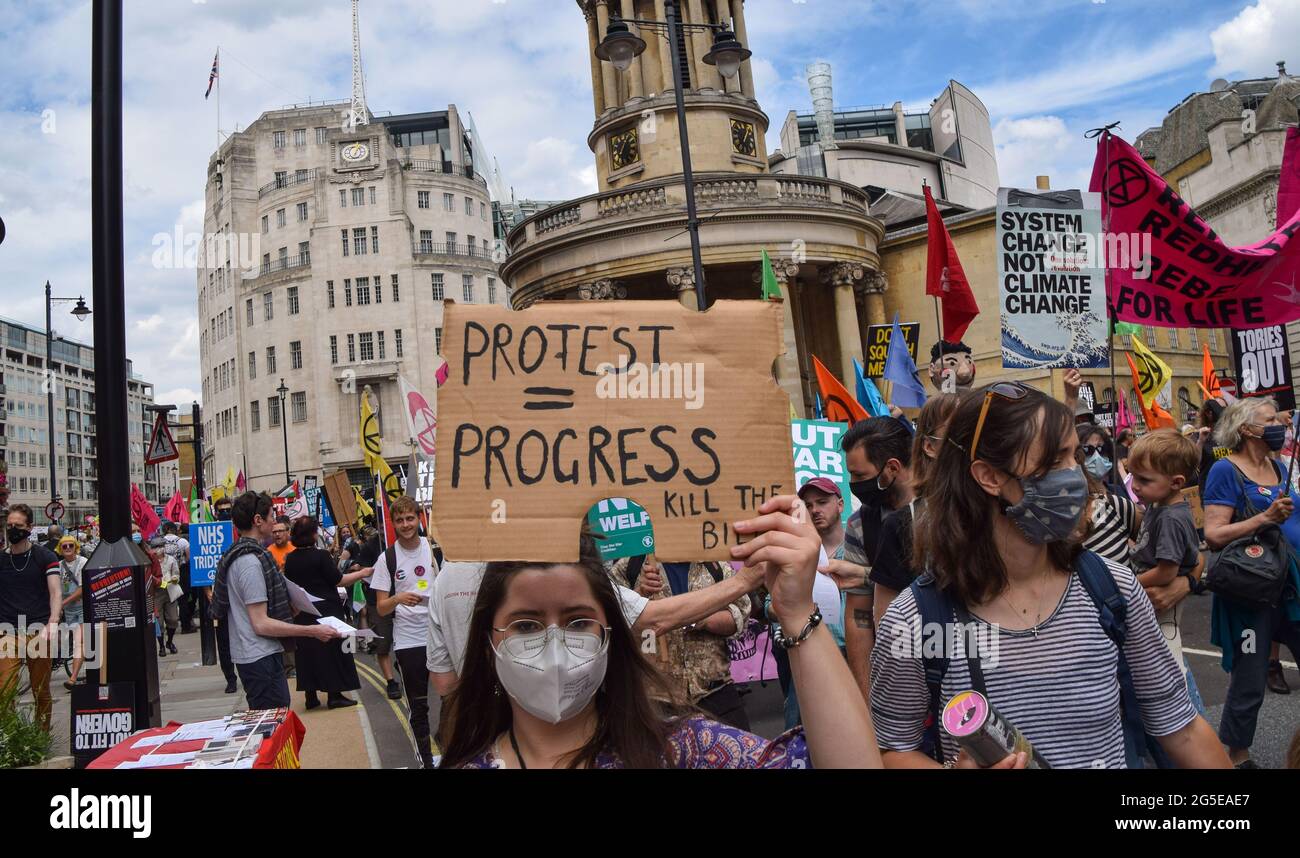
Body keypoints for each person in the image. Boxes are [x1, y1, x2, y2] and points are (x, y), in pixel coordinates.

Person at [872, 382, 1229, 768]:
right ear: (989, 476)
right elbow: (892, 748)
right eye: (1055, 459)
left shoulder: (1113, 588)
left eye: (1074, 455)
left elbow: (1183, 728)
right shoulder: (917, 618)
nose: (1076, 475)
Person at [438, 494, 882, 769]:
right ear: (489, 639)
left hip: (712, 689)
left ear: (610, 633)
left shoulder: (684, 750)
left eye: (578, 622)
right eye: (527, 625)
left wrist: (797, 610)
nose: (554, 643)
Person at [1201, 396, 1300, 767]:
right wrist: (1265, 518)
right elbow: (1214, 535)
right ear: (1247, 429)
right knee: (1250, 677)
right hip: (1252, 592)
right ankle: (1238, 756)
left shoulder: (1280, 467)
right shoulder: (1226, 470)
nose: (1279, 423)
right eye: (1271, 419)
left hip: (1292, 585)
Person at [210, 492, 340, 710]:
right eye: (271, 515)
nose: (274, 520)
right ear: (258, 520)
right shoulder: (250, 563)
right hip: (259, 658)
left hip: (257, 655)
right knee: (273, 729)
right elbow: (260, 623)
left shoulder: (244, 554)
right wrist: (313, 631)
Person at [608, 555, 752, 730]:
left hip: (715, 693)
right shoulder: (630, 566)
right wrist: (639, 597)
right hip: (654, 701)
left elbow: (740, 615)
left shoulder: (714, 565)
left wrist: (698, 616)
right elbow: (612, 625)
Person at [834, 417, 916, 706]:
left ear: (892, 468)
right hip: (899, 676)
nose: (853, 485)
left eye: (859, 476)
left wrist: (868, 575)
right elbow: (859, 617)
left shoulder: (946, 513)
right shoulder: (860, 525)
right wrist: (867, 698)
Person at [869, 393, 961, 626]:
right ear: (930, 446)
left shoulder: (1004, 512)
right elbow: (887, 625)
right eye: (958, 429)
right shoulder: (903, 524)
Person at [370, 496, 439, 767]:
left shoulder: (434, 548)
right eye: (400, 520)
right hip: (409, 640)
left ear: (419, 518)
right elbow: (381, 608)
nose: (406, 524)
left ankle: (453, 747)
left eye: (410, 518)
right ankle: (425, 759)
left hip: (439, 635)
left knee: (452, 699)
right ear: (394, 523)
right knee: (419, 705)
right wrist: (399, 598)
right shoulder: (386, 558)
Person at [1127, 430, 1202, 681]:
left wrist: (1127, 585)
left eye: (1144, 479)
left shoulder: (1171, 517)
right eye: (1132, 475)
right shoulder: (1158, 504)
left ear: (1176, 482)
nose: (1135, 485)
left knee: (1164, 648)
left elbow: (1167, 571)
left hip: (1161, 594)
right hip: (1151, 584)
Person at [284, 516, 370, 711]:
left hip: (303, 611)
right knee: (332, 652)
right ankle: (334, 695)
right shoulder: (321, 556)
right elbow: (338, 580)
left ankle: (311, 695)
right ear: (314, 535)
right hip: (327, 611)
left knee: (307, 653)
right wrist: (362, 574)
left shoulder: (290, 559)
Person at [0, 504, 62, 730]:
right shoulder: (1, 560)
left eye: (18, 526)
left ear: (29, 527)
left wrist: (53, 621)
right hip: (7, 631)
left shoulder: (44, 556)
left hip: (38, 628)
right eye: (9, 526)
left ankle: (41, 734)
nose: (12, 530)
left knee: (41, 690)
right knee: (4, 689)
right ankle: (10, 736)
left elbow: (55, 592)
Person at [1075, 423, 1141, 565]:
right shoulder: (1061, 511)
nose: (1097, 456)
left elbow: (1148, 540)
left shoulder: (1116, 498)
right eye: (1087, 450)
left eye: (1102, 449)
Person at [355, 525, 400, 698]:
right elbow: (361, 570)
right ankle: (390, 682)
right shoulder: (370, 546)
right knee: (383, 642)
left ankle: (402, 664)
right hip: (378, 601)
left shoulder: (407, 541)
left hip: (407, 600)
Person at [55, 536, 87, 688]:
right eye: (64, 546)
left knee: (79, 642)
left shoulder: (82, 562)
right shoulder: (58, 566)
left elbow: (82, 589)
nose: (68, 548)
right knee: (76, 643)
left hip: (82, 607)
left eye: (70, 545)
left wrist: (62, 603)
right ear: (60, 549)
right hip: (68, 610)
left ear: (76, 547)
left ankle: (73, 678)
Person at [147, 536, 181, 657]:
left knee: (173, 619)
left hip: (170, 590)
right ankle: (161, 646)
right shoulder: (149, 560)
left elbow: (176, 573)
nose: (159, 549)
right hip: (156, 593)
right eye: (156, 547)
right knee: (158, 622)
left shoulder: (171, 560)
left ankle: (170, 642)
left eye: (161, 546)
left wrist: (175, 578)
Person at [162, 521, 195, 633]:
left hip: (165, 573)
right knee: (183, 599)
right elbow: (189, 557)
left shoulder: (160, 542)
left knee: (166, 599)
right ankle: (186, 626)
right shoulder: (183, 541)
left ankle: (167, 626)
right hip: (181, 572)